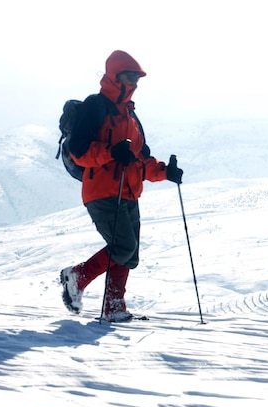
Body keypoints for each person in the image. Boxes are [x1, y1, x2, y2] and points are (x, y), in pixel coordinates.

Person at [60, 50, 183, 322]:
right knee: (124, 246)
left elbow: (141, 159)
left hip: (129, 192)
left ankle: (114, 307)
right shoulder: (96, 105)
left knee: (130, 255)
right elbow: (80, 151)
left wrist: (166, 173)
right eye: (130, 77)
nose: (135, 83)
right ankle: (77, 277)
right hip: (102, 191)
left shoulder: (130, 116)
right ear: (115, 76)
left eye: (137, 78)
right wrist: (112, 152)